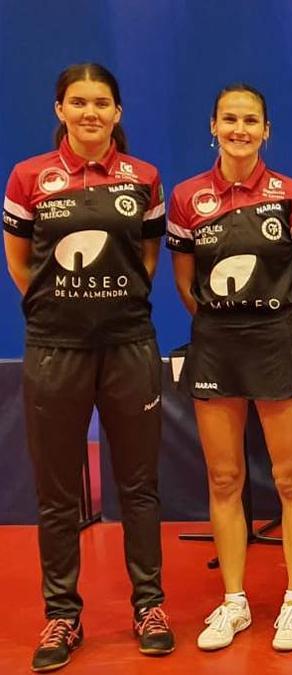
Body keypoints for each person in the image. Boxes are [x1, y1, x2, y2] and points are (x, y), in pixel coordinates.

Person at [2, 62, 174, 672]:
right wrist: (61, 312)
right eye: (79, 102)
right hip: (54, 350)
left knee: (139, 487)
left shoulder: (144, 178)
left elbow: (148, 257)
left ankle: (149, 605)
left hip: (129, 345)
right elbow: (20, 262)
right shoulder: (29, 177)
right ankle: (62, 615)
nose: (91, 112)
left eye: (102, 102)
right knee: (56, 495)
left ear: (117, 113)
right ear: (60, 110)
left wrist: (113, 304)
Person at [166, 83, 292, 652]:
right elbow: (185, 282)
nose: (239, 129)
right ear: (213, 126)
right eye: (229, 119)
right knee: (225, 479)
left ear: (266, 130)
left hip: (277, 344)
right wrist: (220, 325)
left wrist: (284, 329)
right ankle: (233, 602)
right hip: (215, 347)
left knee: (288, 478)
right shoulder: (187, 198)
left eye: (250, 120)